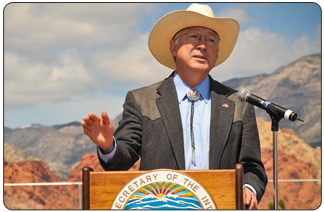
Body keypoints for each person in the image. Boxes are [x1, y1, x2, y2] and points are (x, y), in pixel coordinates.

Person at [82, 3, 267, 209]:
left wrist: (248, 188)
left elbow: (253, 166)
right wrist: (108, 145)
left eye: (210, 39)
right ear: (173, 47)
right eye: (194, 37)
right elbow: (122, 161)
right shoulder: (142, 100)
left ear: (217, 52)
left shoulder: (239, 105)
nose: (203, 45)